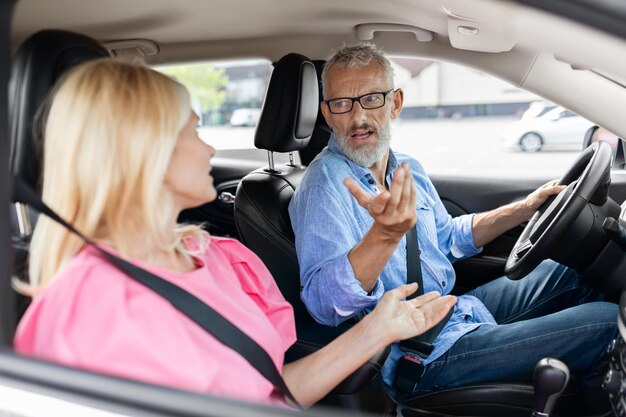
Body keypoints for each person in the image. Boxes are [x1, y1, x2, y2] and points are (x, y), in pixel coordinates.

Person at [12, 59, 458, 408]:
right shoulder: (87, 314)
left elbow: (271, 391)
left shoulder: (213, 255)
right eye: (193, 129)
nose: (208, 147)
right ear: (147, 152)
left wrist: (377, 330)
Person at [288, 43, 617, 402]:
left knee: (575, 267)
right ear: (327, 113)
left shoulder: (405, 167)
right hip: (420, 353)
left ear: (395, 103)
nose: (357, 117)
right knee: (607, 321)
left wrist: (525, 208)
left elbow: (447, 237)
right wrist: (384, 236)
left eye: (371, 99)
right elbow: (323, 303)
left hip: (454, 310)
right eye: (342, 104)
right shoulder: (324, 187)